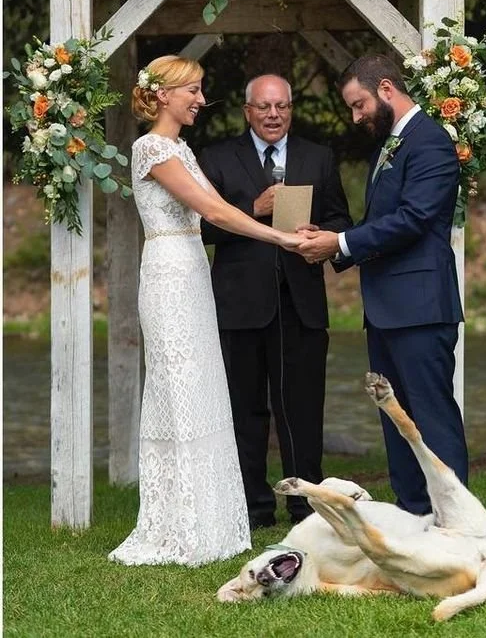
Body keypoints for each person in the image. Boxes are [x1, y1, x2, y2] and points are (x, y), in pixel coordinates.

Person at [108, 56, 301, 566]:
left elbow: (224, 207)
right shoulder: (150, 147)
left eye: (200, 90)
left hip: (194, 270)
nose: (199, 99)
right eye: (192, 90)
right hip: (169, 272)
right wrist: (281, 236)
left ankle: (211, 518)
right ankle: (178, 522)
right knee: (178, 387)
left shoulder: (181, 149)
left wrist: (276, 221)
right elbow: (215, 212)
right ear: (164, 95)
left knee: (204, 387)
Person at [297, 55, 467, 516]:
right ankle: (414, 512)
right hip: (388, 308)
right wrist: (332, 242)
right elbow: (380, 224)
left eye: (359, 105)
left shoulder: (429, 141)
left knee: (431, 416)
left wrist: (342, 241)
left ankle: (454, 521)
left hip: (421, 307)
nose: (356, 117)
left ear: (387, 89)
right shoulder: (389, 145)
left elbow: (413, 220)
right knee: (396, 418)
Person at [198, 74, 352, 529]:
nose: (273, 115)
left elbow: (341, 218)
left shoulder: (318, 157)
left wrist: (320, 234)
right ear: (247, 111)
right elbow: (202, 230)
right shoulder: (218, 158)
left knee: (302, 410)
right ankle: (252, 507)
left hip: (301, 305)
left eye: (282, 106)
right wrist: (253, 211)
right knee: (245, 411)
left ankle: (307, 507)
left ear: (291, 109)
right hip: (240, 307)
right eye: (264, 107)